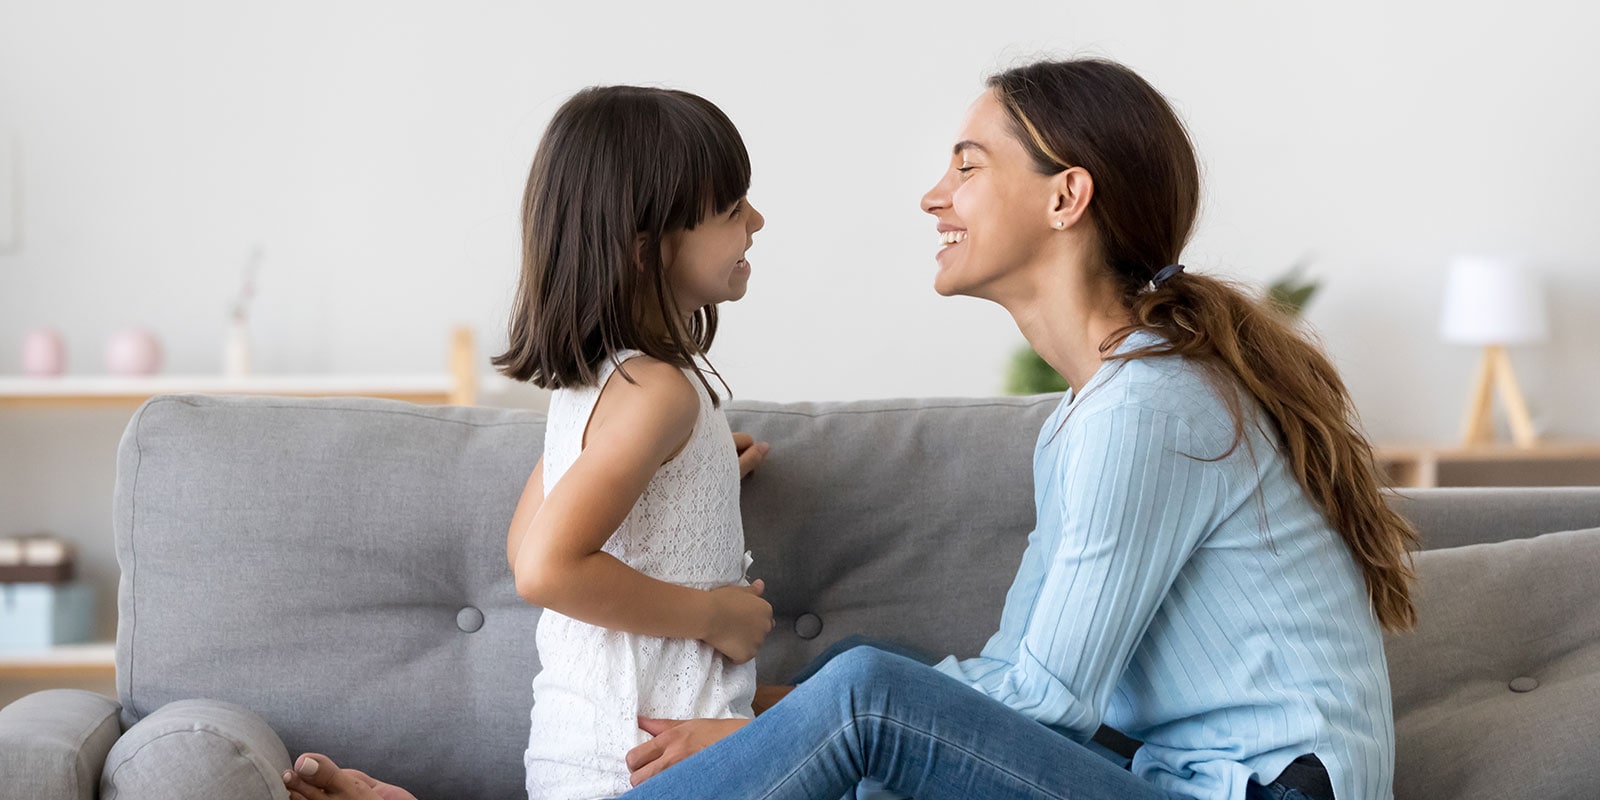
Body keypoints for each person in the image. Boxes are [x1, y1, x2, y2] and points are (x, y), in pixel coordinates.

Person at [613, 58, 1417, 800]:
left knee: (862, 692)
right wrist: (778, 713)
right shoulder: (1089, 410)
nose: (935, 197)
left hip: (1262, 793)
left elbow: (1047, 699)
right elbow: (1014, 671)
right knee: (851, 676)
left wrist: (768, 729)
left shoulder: (1146, 407)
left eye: (967, 166)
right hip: (1183, 778)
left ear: (1066, 198)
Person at [283, 85, 775, 800]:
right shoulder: (660, 394)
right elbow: (544, 568)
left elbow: (527, 542)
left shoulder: (597, 388)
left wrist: (696, 478)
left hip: (585, 758)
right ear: (647, 252)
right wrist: (715, 615)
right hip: (647, 769)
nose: (757, 220)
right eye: (732, 210)